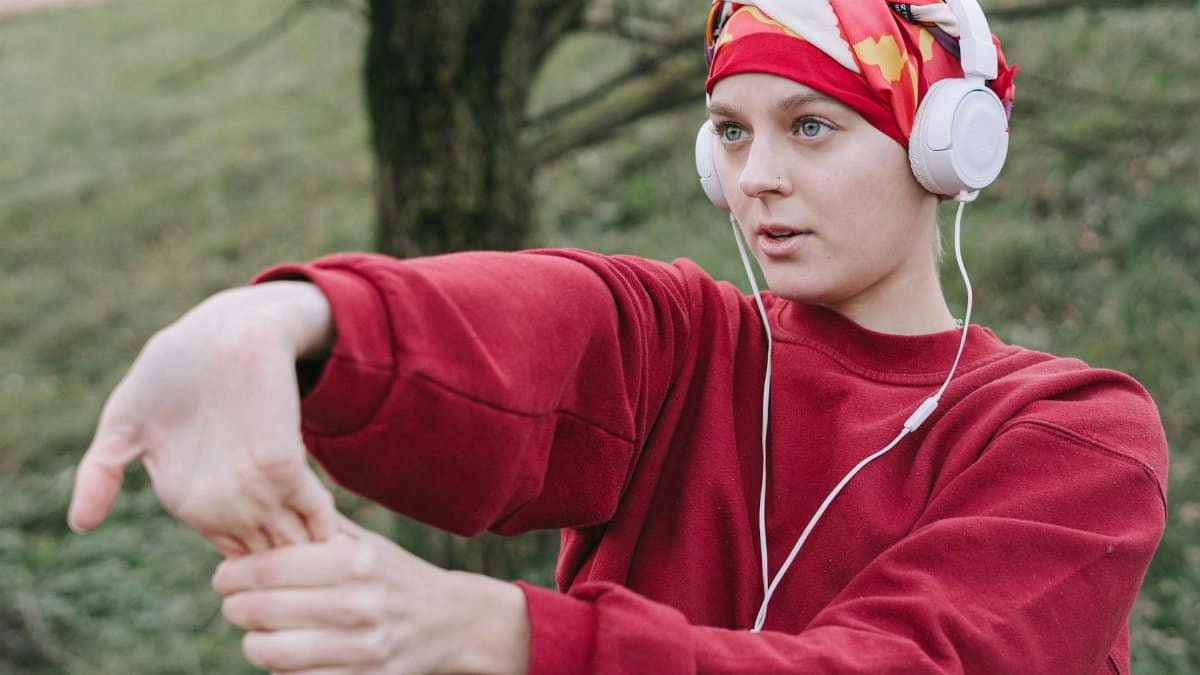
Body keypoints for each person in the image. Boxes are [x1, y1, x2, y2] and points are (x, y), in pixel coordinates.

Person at [67, 1, 1168, 673]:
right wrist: (283, 324)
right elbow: (530, 329)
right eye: (732, 134)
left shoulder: (1075, 435)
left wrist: (500, 636)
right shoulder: (690, 346)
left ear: (945, 151)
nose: (758, 179)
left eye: (812, 128)